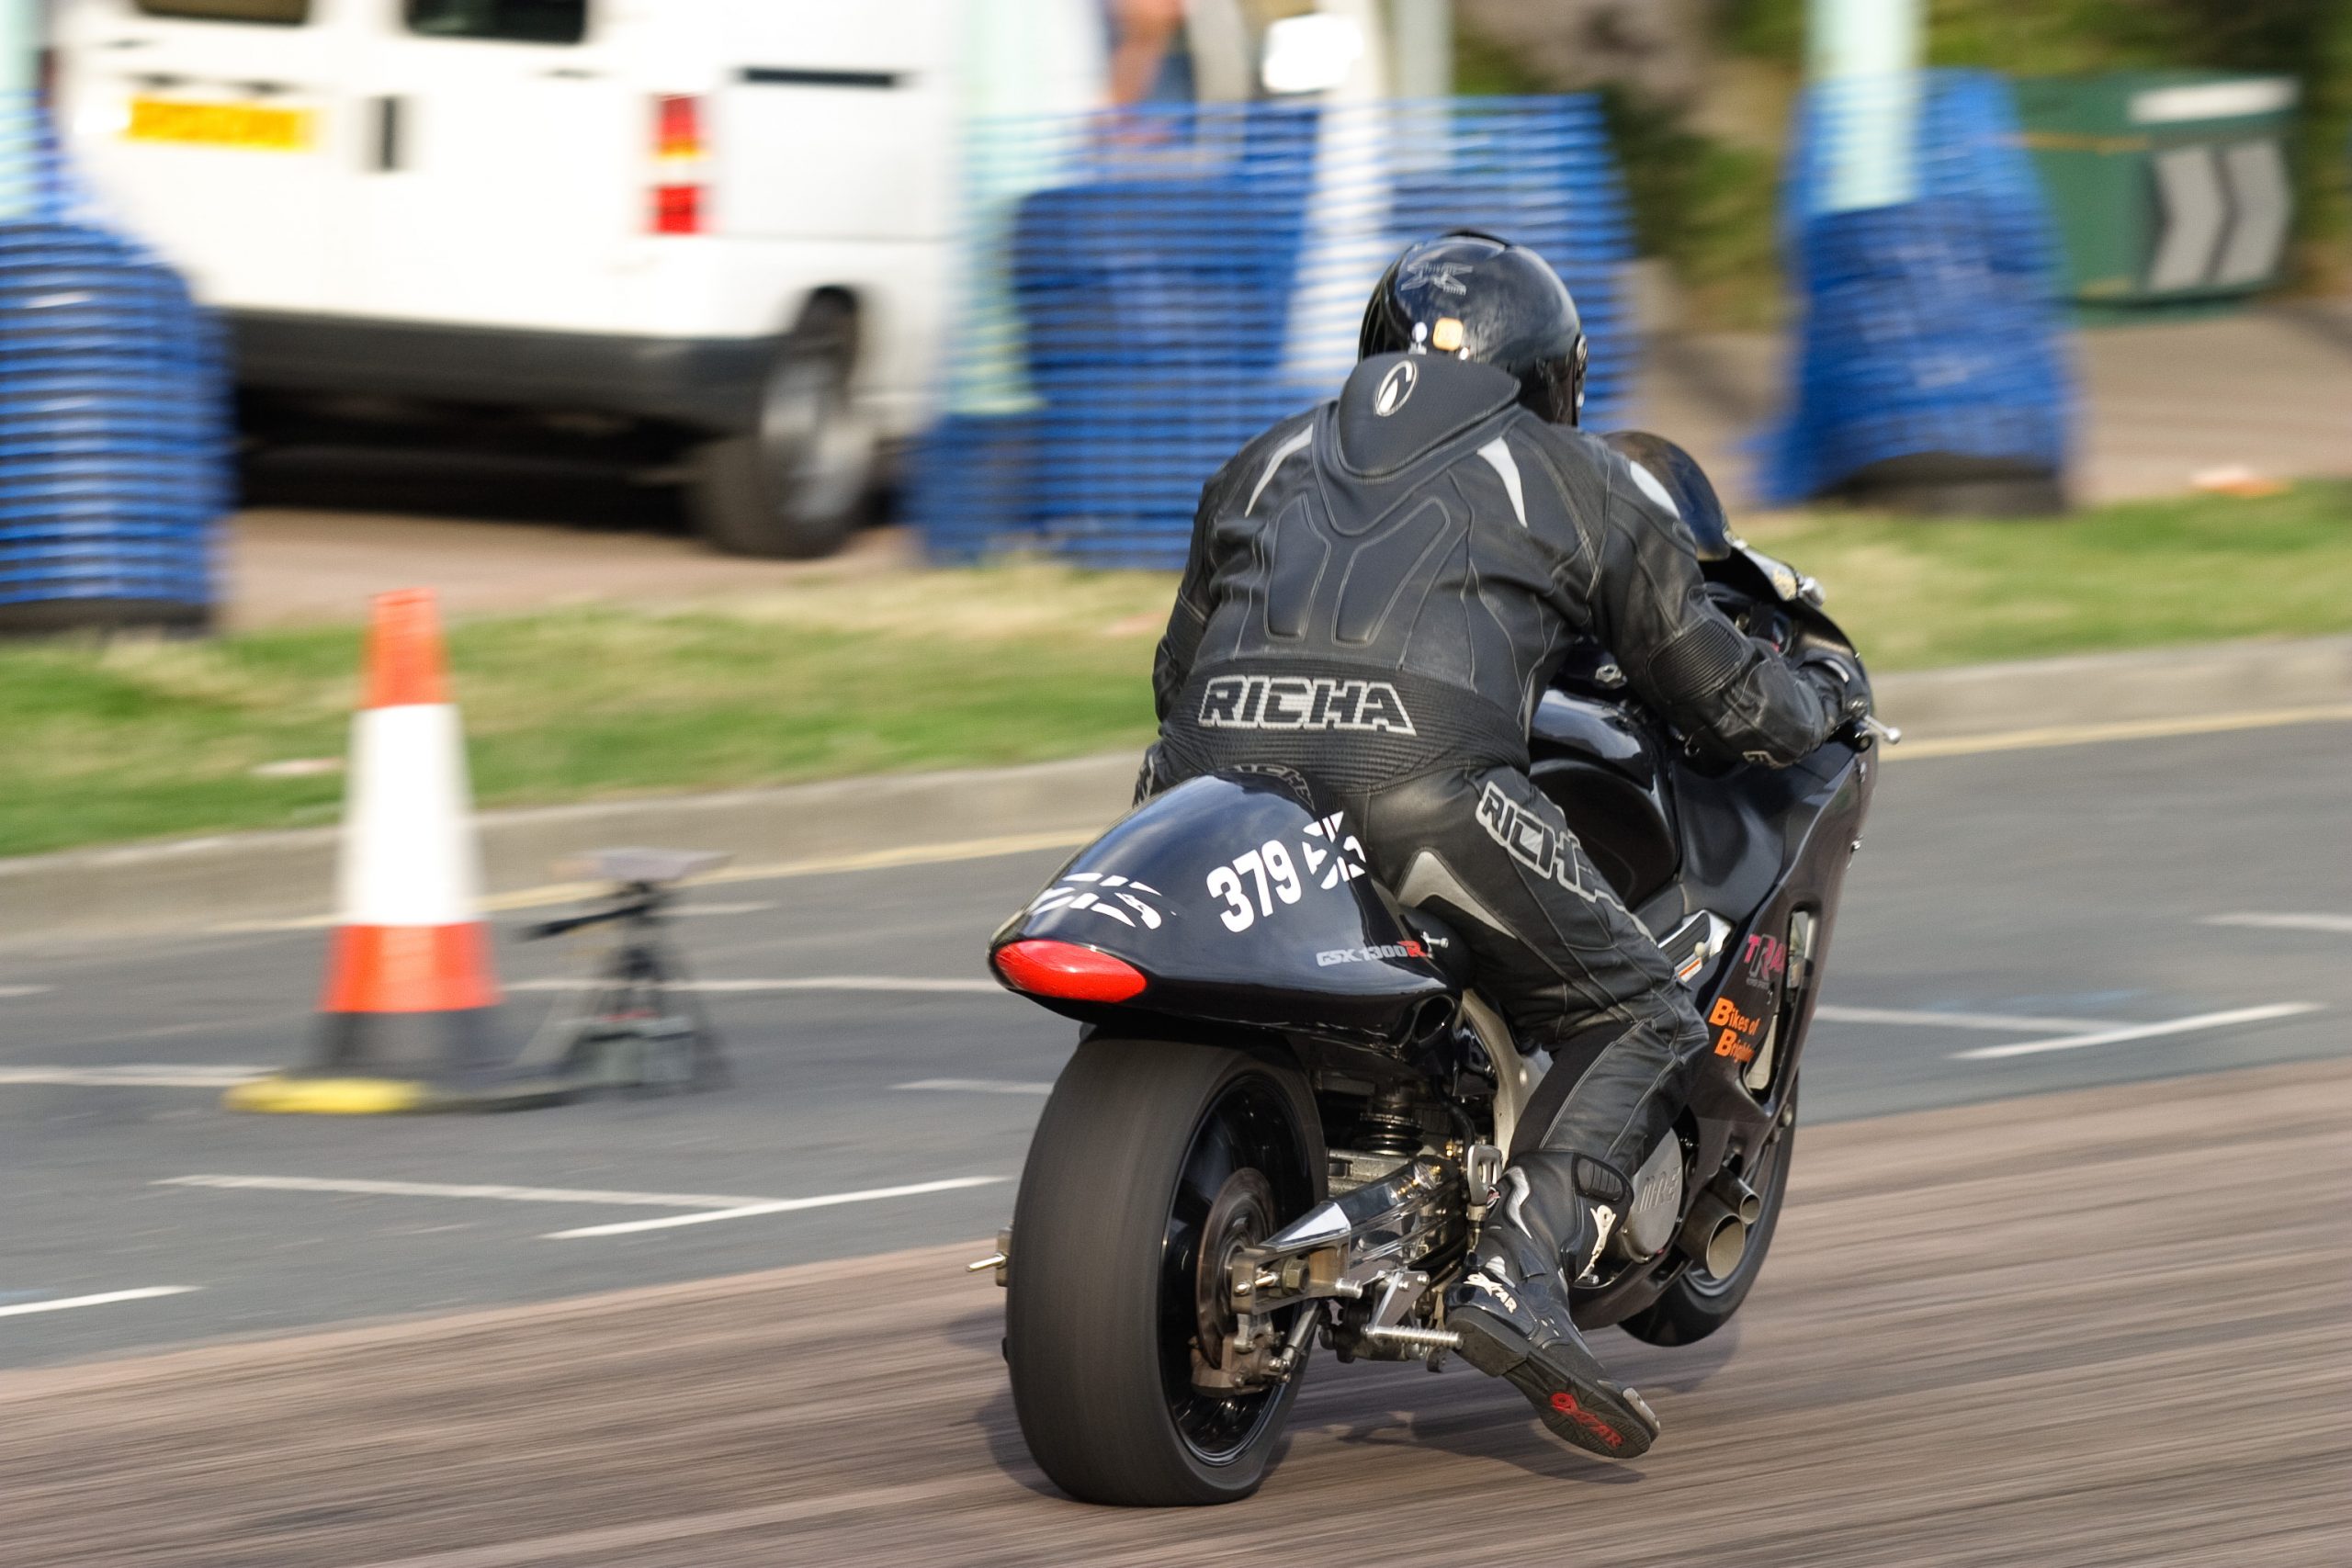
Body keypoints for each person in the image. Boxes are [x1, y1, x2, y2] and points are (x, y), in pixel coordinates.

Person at [1138, 231, 1871, 1459]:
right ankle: (1516, 1272)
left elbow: (1174, 675)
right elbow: (1724, 701)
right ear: (1552, 376)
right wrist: (1827, 702)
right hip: (1421, 794)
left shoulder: (1260, 460)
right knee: (1642, 1012)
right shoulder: (1572, 476)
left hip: (1208, 789)